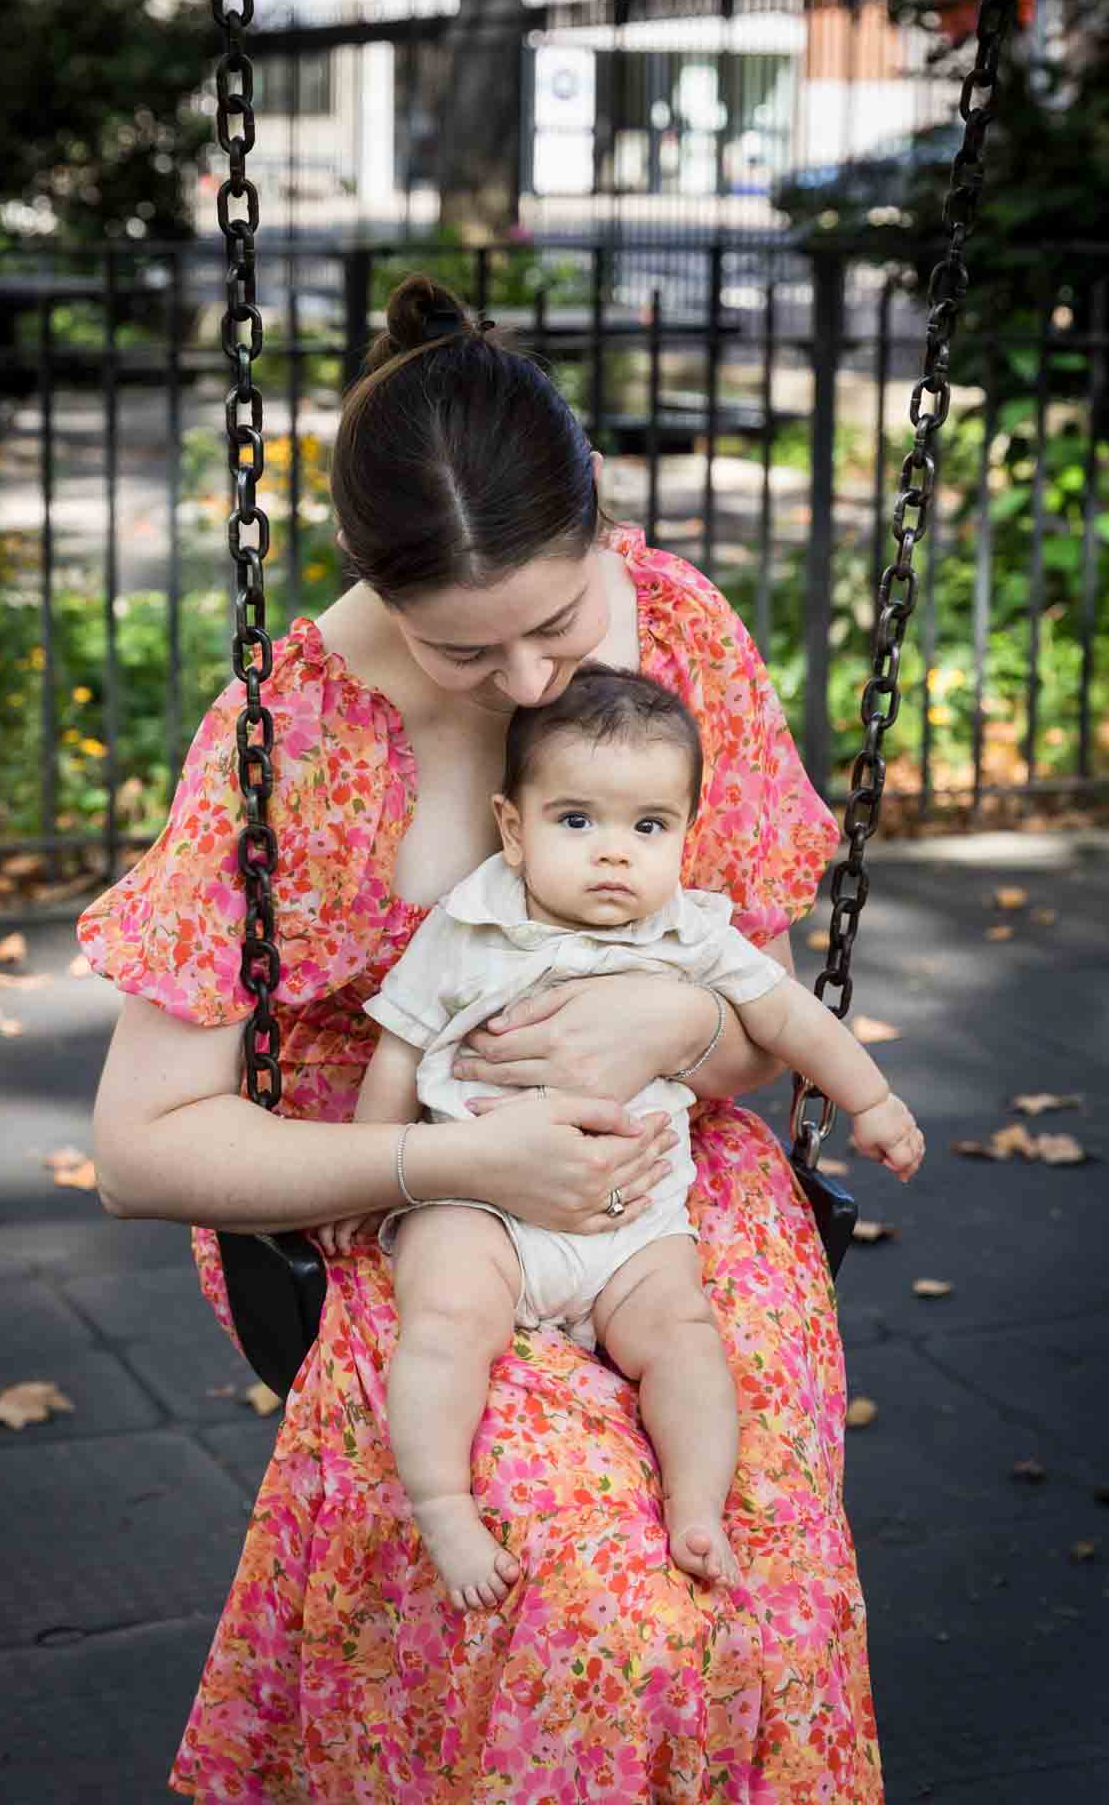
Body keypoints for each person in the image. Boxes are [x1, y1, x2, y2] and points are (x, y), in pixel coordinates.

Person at [80, 272, 905, 1801]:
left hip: (664, 1173)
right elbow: (138, 1150)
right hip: (398, 1199)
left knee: (755, 1583)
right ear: (384, 596)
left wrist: (675, 1012)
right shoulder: (291, 736)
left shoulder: (682, 632)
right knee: (578, 1601)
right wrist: (455, 1156)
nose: (533, 685)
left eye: (557, 622)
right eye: (470, 655)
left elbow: (760, 1017)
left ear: (603, 535)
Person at [335, 662, 924, 1615]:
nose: (614, 854)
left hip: (632, 1222)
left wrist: (873, 1099)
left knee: (687, 1339)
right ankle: (442, 1503)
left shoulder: (690, 931)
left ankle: (696, 1510)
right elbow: (399, 1055)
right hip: (481, 1202)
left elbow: (792, 1021)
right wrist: (364, 1183)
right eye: (577, 821)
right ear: (513, 829)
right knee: (443, 1321)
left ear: (684, 836)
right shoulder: (472, 923)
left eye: (647, 827)